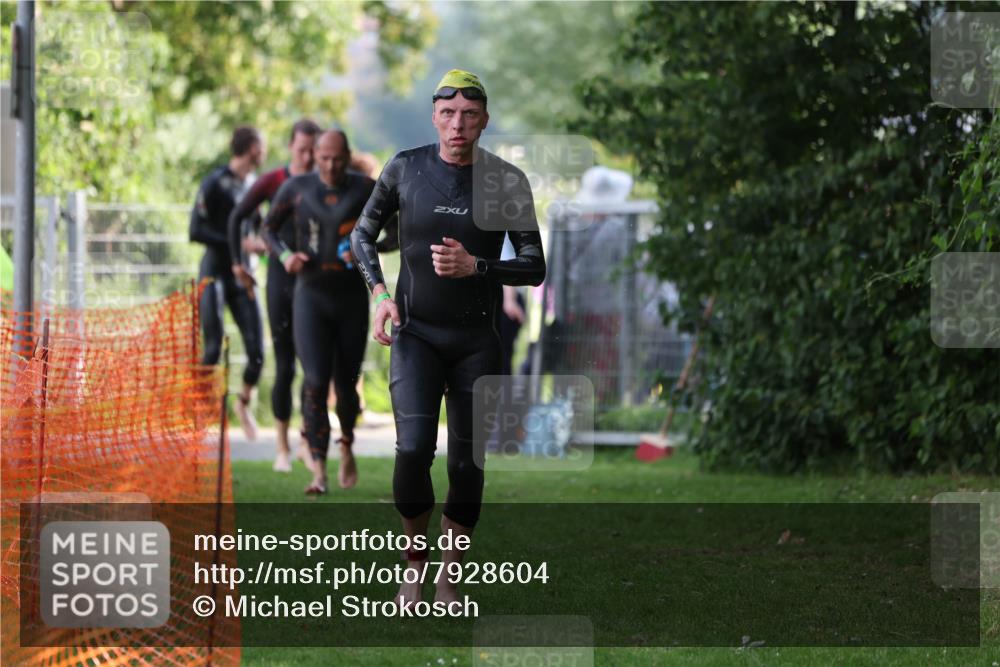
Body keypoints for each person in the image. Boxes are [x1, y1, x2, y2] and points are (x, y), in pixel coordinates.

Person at [351, 69, 545, 608]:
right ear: (434, 116)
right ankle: (414, 565)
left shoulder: (507, 181)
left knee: (465, 465)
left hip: (476, 343)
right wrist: (379, 294)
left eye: (469, 115)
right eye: (447, 114)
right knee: (413, 451)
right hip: (415, 334)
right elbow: (362, 234)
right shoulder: (405, 168)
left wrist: (477, 265)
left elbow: (534, 266)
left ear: (484, 121)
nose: (457, 124)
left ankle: (449, 576)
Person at [263, 129, 375, 494]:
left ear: (347, 155)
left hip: (350, 300)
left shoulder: (365, 188)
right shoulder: (297, 187)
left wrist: (363, 252)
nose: (330, 165)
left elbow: (397, 232)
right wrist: (284, 256)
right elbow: (268, 229)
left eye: (337, 159)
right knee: (313, 381)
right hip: (309, 295)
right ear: (316, 156)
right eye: (323, 158)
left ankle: (347, 444)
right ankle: (319, 472)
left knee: (345, 388)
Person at [227, 118, 321, 473]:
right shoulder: (274, 181)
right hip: (282, 280)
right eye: (302, 150)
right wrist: (238, 263)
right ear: (290, 149)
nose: (309, 157)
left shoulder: (326, 182)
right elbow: (238, 216)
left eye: (314, 150)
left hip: (316, 283)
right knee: (285, 365)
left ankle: (306, 442)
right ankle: (282, 446)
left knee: (315, 369)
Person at [190, 126, 266, 440]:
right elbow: (194, 231)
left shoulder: (254, 185)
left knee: (258, 353)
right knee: (213, 344)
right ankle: (199, 414)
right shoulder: (215, 182)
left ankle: (243, 404)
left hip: (243, 278)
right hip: (215, 273)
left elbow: (261, 229)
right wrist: (235, 243)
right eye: (262, 147)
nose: (264, 153)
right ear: (250, 149)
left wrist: (259, 244)